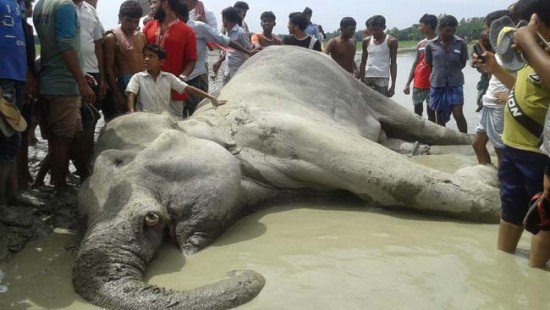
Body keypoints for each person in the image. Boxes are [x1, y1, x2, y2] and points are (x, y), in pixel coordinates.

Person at [476, 0, 550, 269]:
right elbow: (523, 86)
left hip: (538, 154)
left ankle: (535, 274)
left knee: (543, 218)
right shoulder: (532, 56)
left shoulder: (540, 53)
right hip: (512, 147)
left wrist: (529, 42)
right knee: (511, 210)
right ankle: (503, 268)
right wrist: (495, 69)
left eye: (517, 24)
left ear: (534, 21)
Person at [33, 0, 95, 191]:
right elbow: (66, 45)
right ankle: (59, 186)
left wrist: (80, 74)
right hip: (64, 84)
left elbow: (52, 46)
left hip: (49, 79)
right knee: (63, 140)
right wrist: (81, 82)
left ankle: (49, 179)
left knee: (63, 138)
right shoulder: (65, 6)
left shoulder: (41, 5)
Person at [178, 2, 254, 116]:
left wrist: (247, 52)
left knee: (196, 113)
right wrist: (219, 61)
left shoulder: (199, 27)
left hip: (197, 77)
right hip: (178, 77)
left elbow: (223, 40)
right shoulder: (169, 28)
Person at [126, 45, 226, 115]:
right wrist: (131, 111)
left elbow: (189, 88)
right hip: (144, 119)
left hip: (162, 120)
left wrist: (212, 98)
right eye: (145, 56)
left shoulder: (168, 77)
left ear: (161, 62)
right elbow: (131, 94)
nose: (146, 59)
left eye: (151, 56)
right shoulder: (137, 77)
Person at [472, 10, 513, 167]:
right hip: (488, 103)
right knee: (477, 144)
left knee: (501, 151)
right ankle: (491, 180)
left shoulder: (513, 51)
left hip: (499, 106)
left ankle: (505, 187)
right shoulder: (497, 51)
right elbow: (493, 76)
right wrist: (483, 66)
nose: (485, 32)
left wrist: (509, 98)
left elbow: (523, 82)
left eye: (487, 27)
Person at [143, 0, 197, 117]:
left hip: (173, 94)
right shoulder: (148, 27)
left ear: (164, 3)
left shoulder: (187, 32)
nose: (151, 6)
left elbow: (192, 60)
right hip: (148, 91)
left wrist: (181, 78)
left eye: (154, 2)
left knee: (172, 131)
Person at [0, 0, 27, 204]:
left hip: (16, 76)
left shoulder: (17, 4)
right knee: (7, 141)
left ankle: (13, 194)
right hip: (3, 78)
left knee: (13, 137)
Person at [425, 15, 469, 133]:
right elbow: (430, 64)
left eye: (453, 30)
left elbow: (463, 63)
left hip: (455, 83)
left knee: (458, 113)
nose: (450, 33)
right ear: (440, 29)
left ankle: (465, 139)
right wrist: (440, 72)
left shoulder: (461, 43)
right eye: (447, 30)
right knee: (439, 113)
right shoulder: (430, 45)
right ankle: (444, 139)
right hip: (437, 83)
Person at [104, 0, 146, 115]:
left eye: (136, 21)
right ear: (120, 17)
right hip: (125, 87)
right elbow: (109, 69)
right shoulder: (112, 38)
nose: (132, 25)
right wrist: (118, 96)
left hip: (144, 85)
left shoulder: (141, 36)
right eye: (129, 20)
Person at [403, 14, 437, 121]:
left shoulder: (439, 42)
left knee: (431, 111)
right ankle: (419, 135)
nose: (419, 28)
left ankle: (433, 135)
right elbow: (415, 63)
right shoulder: (421, 43)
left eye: (421, 25)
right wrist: (408, 83)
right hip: (418, 82)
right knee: (417, 111)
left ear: (429, 26)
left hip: (433, 83)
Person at [359, 15, 398, 97]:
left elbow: (393, 63)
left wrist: (393, 85)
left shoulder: (391, 41)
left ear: (384, 27)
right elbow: (363, 62)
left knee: (381, 104)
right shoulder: (366, 41)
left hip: (382, 76)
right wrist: (361, 81)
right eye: (372, 30)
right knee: (367, 103)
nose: (374, 33)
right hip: (367, 76)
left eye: (376, 30)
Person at [221, 6, 252, 85]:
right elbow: (230, 52)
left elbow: (249, 52)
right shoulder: (228, 32)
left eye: (222, 19)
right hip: (227, 71)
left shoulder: (240, 32)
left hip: (238, 73)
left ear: (225, 19)